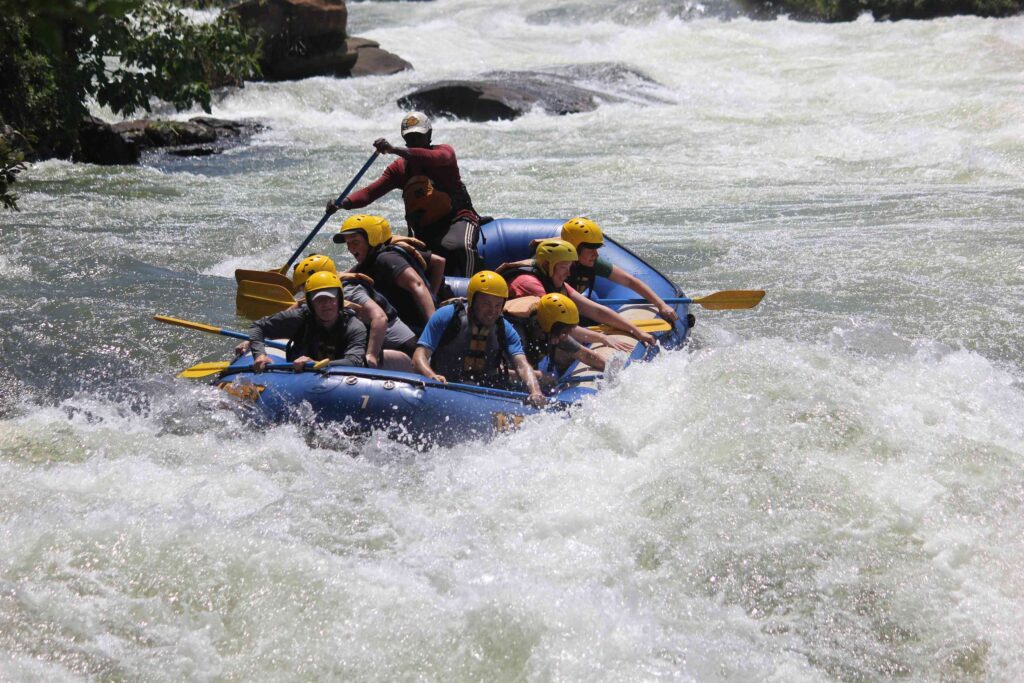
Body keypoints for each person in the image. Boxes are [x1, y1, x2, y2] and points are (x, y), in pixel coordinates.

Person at [325, 111, 481, 277]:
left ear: (429, 135)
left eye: (418, 136)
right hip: (425, 229)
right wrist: (343, 203)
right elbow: (370, 193)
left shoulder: (444, 154)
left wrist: (393, 149)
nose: (414, 141)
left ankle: (471, 287)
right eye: (410, 138)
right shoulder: (400, 169)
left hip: (458, 218)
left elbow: (430, 157)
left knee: (460, 247)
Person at [413, 270, 546, 407]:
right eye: (486, 304)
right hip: (446, 390)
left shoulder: (503, 328)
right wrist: (431, 377)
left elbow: (522, 365)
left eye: (497, 305)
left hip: (486, 394)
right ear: (472, 300)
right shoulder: (447, 316)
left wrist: (535, 392)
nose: (492, 311)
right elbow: (419, 356)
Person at [502, 238, 656, 347]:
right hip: (511, 338)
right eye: (563, 267)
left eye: (569, 267)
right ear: (547, 264)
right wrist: (602, 338)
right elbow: (562, 326)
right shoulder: (529, 283)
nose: (568, 274)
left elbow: (595, 310)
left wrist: (636, 331)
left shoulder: (553, 279)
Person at [293, 254, 417, 372]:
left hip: (401, 348)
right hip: (384, 345)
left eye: (305, 286)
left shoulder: (348, 292)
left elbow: (380, 318)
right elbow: (301, 305)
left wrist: (371, 355)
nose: (305, 291)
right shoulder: (330, 290)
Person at [560, 217, 679, 323]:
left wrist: (661, 304)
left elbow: (629, 281)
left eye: (596, 249)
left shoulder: (592, 263)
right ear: (574, 249)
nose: (596, 255)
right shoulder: (555, 269)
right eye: (591, 250)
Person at [333, 214, 437, 334]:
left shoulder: (386, 259)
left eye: (355, 242)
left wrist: (433, 328)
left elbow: (418, 285)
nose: (350, 249)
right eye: (348, 243)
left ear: (371, 240)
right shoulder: (367, 263)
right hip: (405, 326)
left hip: (417, 327)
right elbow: (346, 274)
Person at [249, 271, 367, 372]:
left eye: (330, 298)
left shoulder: (354, 326)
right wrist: (260, 354)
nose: (326, 304)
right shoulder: (298, 318)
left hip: (339, 380)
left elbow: (354, 361)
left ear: (339, 299)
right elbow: (258, 326)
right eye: (319, 300)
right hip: (298, 379)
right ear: (310, 303)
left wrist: (314, 364)